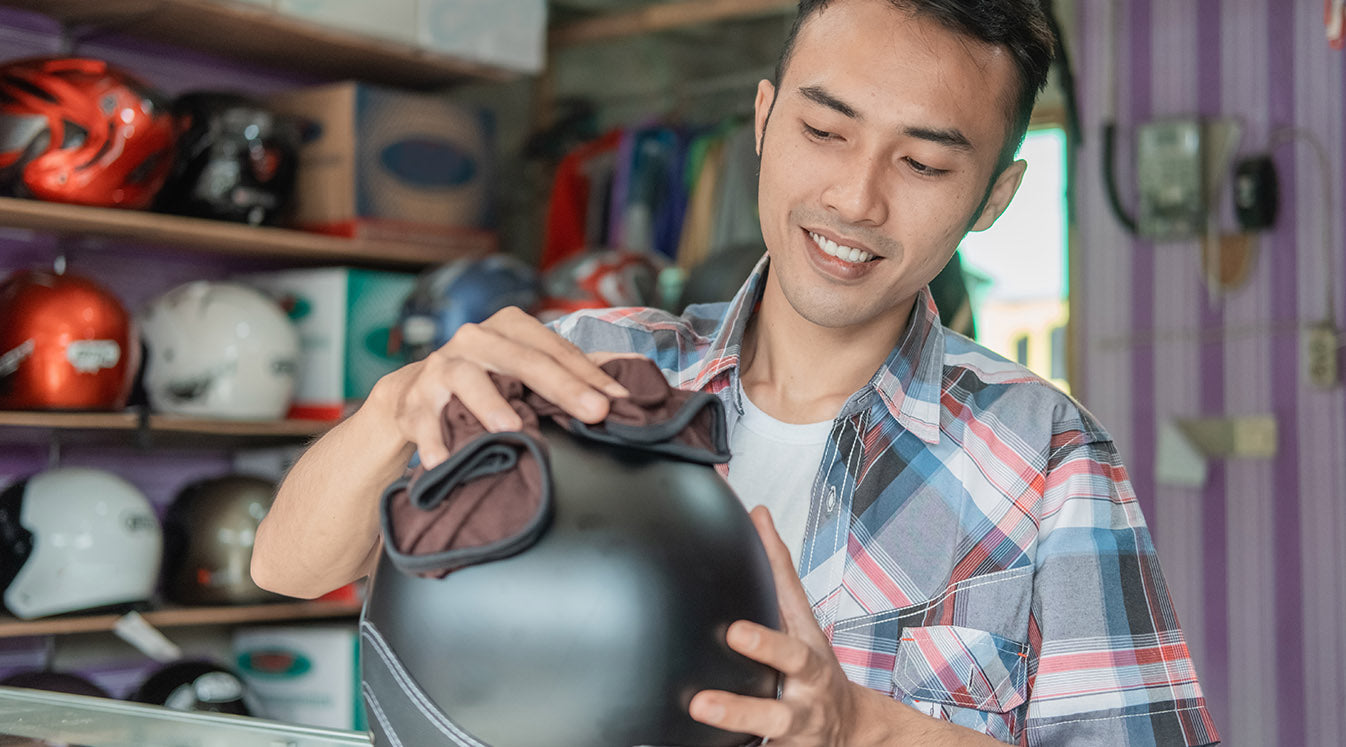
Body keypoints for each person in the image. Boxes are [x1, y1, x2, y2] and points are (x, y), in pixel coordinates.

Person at [252, 1, 1220, 744]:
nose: (853, 196)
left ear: (994, 197)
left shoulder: (1042, 457)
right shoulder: (586, 365)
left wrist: (860, 724)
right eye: (823, 131)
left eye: (922, 164)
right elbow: (290, 570)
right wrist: (396, 405)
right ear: (762, 119)